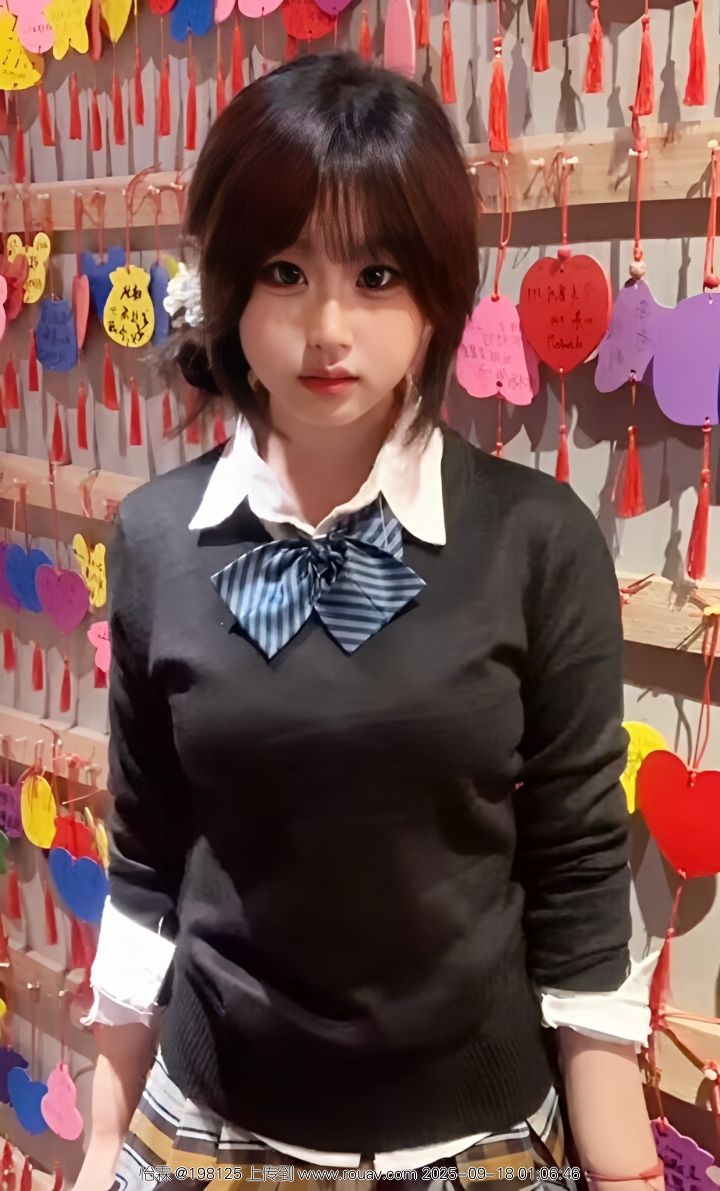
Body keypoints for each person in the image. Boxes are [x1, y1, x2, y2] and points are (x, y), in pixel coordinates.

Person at [74, 51, 663, 1191]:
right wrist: (102, 1149)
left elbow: (582, 870)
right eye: (285, 270)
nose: (329, 327)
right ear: (228, 285)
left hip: (477, 1144)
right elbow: (146, 862)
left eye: (378, 273)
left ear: (437, 292)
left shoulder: (536, 541)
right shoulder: (158, 539)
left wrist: (623, 1166)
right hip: (204, 1132)